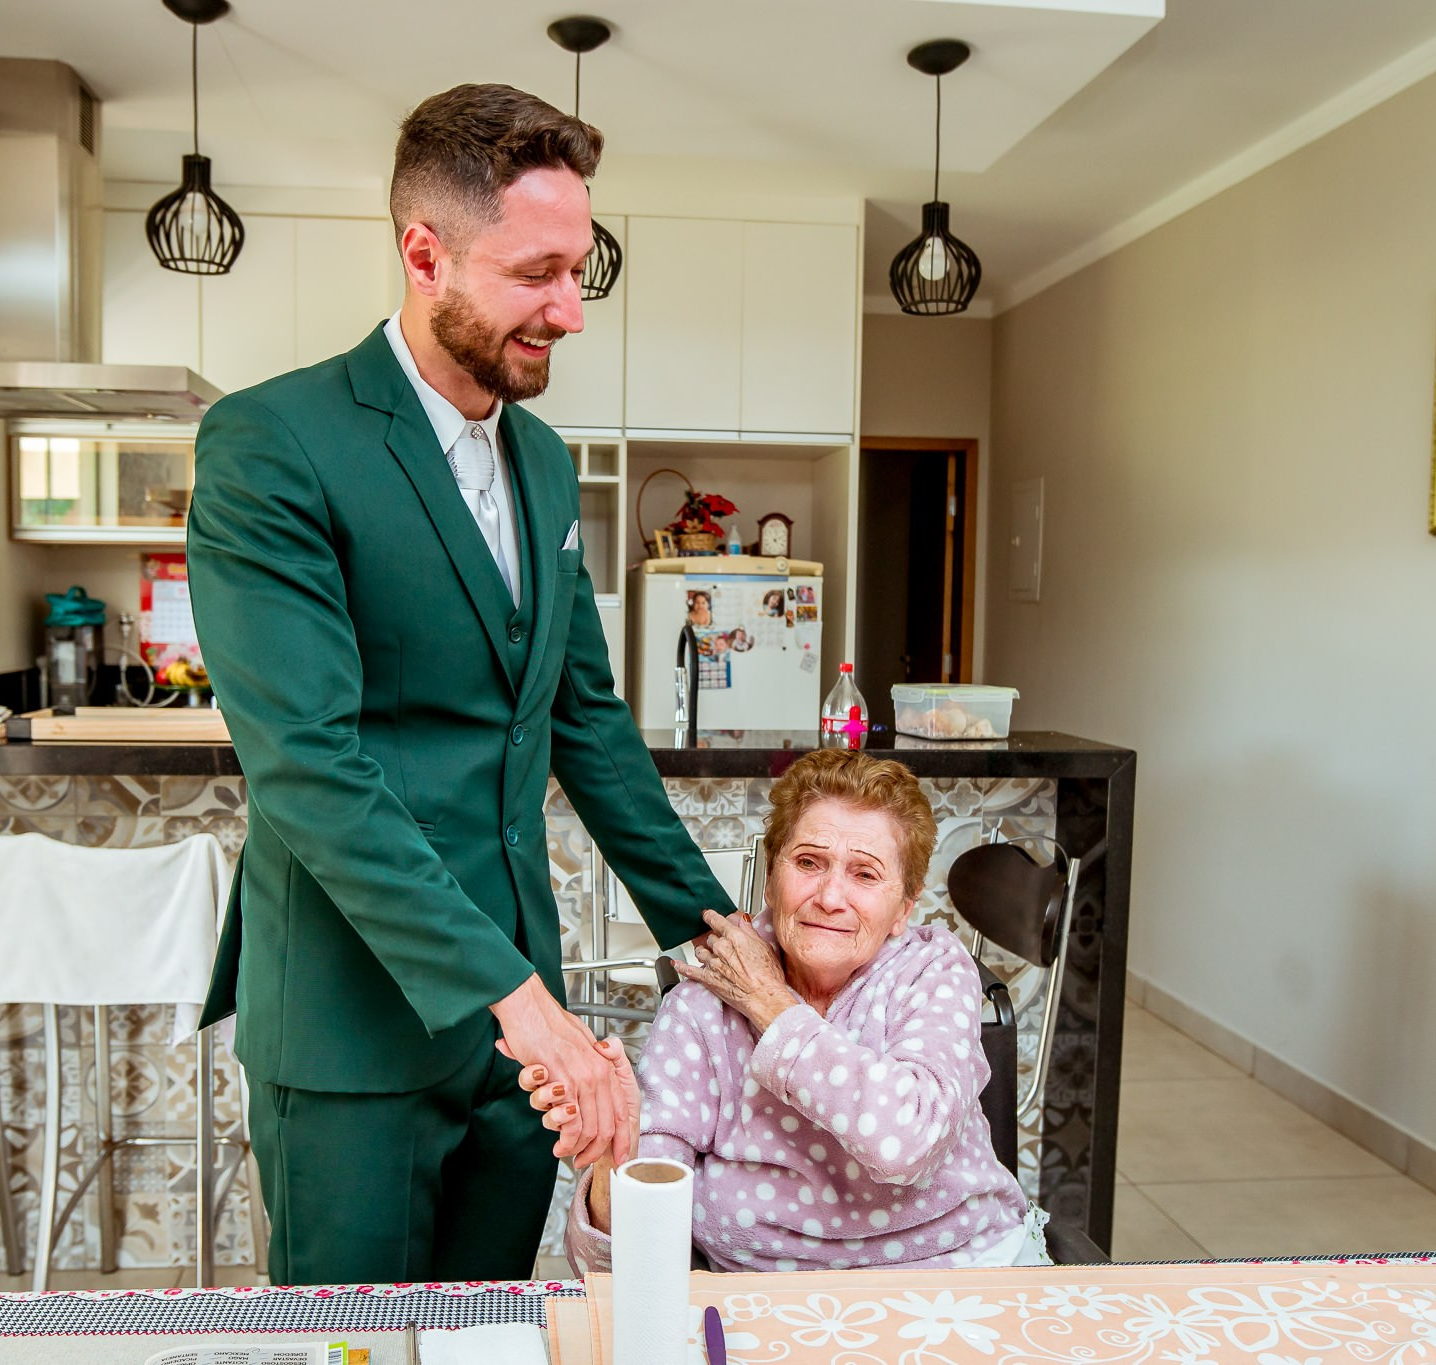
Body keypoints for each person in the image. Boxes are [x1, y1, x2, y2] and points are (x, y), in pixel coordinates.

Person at [186, 83, 736, 1287]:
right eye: (536, 273)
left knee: (489, 1328)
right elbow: (308, 768)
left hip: (510, 1046)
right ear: (423, 253)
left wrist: (719, 938)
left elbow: (580, 715)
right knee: (362, 1347)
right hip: (351, 1025)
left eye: (580, 270)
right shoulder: (272, 445)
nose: (570, 312)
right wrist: (523, 1003)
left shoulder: (543, 462)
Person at [527, 749, 1048, 1273]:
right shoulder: (702, 1003)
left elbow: (907, 1142)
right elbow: (622, 1270)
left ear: (903, 909)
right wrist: (618, 1162)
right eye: (807, 863)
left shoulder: (932, 970)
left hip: (964, 1266)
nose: (829, 897)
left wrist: (771, 1005)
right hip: (759, 1297)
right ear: (772, 880)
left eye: (865, 875)